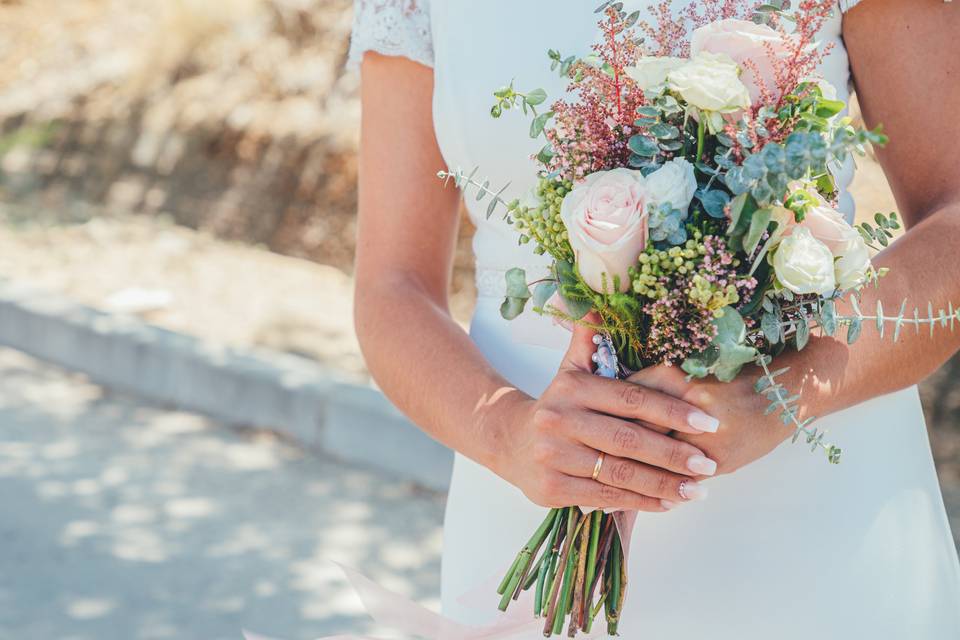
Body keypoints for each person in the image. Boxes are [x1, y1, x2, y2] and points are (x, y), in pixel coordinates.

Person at [350, 1, 960, 636]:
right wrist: (508, 432)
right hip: (529, 513)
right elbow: (392, 288)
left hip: (816, 526)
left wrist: (783, 395)